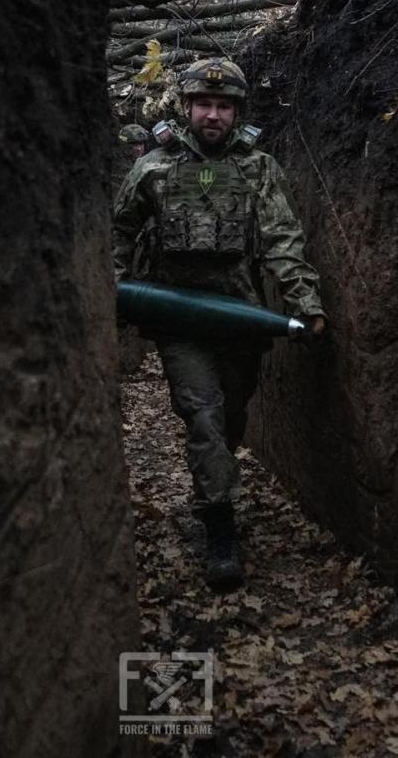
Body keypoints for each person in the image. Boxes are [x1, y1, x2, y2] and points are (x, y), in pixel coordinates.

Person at [111, 57, 328, 591]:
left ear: (237, 113)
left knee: (230, 418)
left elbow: (282, 240)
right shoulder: (153, 168)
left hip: (240, 319)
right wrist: (112, 294)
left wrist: (305, 302)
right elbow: (120, 232)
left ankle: (214, 487)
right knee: (204, 417)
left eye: (224, 106)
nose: (213, 115)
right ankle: (220, 529)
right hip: (178, 319)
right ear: (186, 107)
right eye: (204, 104)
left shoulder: (259, 169)